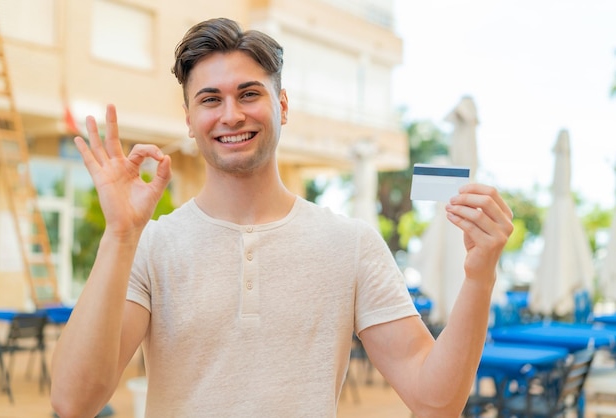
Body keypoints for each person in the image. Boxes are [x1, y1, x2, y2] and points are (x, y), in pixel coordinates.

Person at [50, 17, 513, 417]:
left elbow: (437, 402)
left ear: (283, 106)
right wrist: (120, 234)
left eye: (249, 94)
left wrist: (479, 277)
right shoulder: (150, 244)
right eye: (210, 99)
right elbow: (74, 403)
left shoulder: (349, 243)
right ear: (189, 120)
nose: (231, 115)